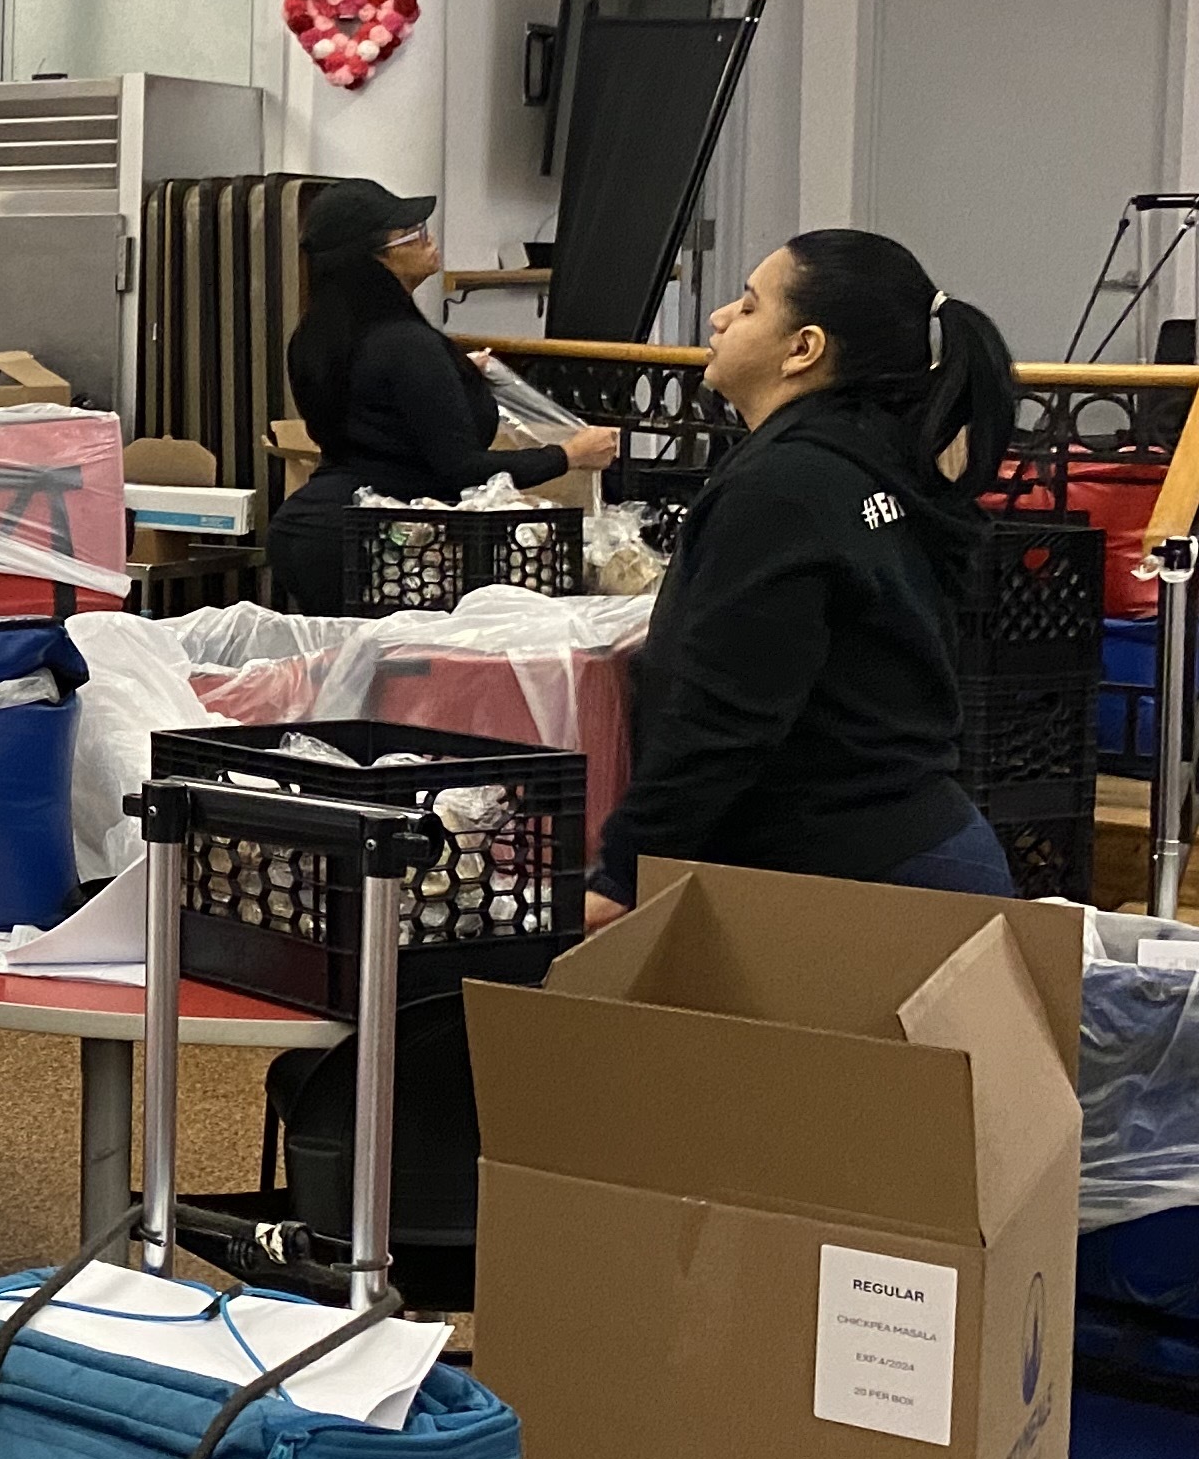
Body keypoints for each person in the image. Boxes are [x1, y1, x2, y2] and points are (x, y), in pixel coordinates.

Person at [585, 232, 1023, 920]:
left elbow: (726, 717)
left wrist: (620, 878)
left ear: (803, 349)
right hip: (906, 850)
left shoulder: (786, 487)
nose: (720, 318)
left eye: (751, 306)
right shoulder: (870, 457)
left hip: (866, 881)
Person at [267, 180, 618, 612]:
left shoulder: (314, 337)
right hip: (379, 543)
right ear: (377, 258)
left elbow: (374, 412)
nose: (429, 239)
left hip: (312, 526)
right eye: (414, 233)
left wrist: (451, 377)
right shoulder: (407, 345)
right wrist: (569, 454)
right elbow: (462, 469)